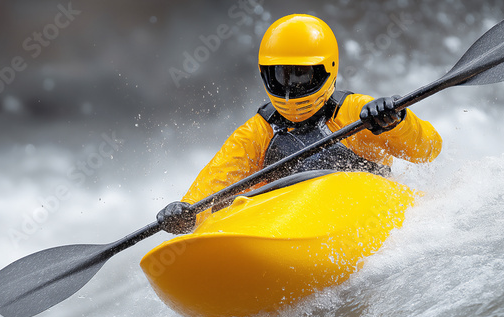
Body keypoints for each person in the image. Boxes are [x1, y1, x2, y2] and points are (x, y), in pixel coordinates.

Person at [156, 13, 442, 234]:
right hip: (292, 223)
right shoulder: (258, 132)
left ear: (326, 71)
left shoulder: (357, 112)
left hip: (364, 212)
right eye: (281, 76)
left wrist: (396, 122)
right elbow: (214, 186)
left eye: (301, 76)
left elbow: (428, 150)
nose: (290, 89)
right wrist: (188, 213)